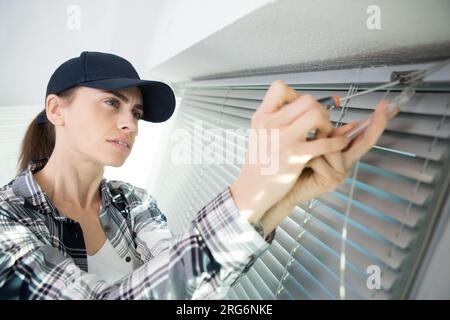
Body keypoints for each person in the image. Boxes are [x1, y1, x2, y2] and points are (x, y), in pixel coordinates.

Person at [0, 51, 397, 300]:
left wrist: (286, 197)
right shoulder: (6, 221)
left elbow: (190, 285)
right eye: (111, 103)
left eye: (136, 113)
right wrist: (249, 192)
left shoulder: (134, 202)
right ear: (56, 110)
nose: (130, 124)